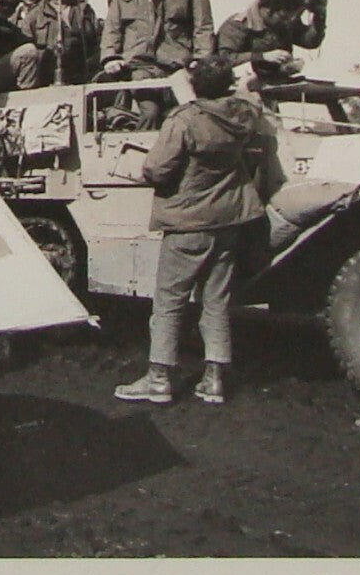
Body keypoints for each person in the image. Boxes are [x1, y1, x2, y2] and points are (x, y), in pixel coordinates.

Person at [115, 57, 272, 406]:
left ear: (194, 84)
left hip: (187, 222)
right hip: (229, 219)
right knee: (216, 301)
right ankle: (214, 378)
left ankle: (158, 378)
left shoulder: (184, 120)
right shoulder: (243, 115)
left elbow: (156, 170)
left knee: (170, 301)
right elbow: (251, 103)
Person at [18, 0, 102, 85]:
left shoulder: (83, 8)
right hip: (47, 79)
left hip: (83, 76)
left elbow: (98, 39)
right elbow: (26, 49)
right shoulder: (35, 15)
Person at [215, 0, 312, 85]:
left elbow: (310, 42)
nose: (287, 22)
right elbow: (224, 59)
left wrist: (288, 66)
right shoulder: (238, 25)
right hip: (239, 87)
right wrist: (262, 56)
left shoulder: (280, 25)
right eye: (283, 18)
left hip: (272, 85)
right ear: (267, 10)